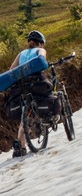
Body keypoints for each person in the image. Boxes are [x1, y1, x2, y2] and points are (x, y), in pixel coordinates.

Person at [10, 30, 51, 158]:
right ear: (41, 43)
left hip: (23, 87)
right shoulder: (40, 50)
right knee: (48, 92)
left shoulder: (21, 54)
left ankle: (20, 147)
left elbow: (11, 69)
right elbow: (43, 62)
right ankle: (48, 119)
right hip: (37, 85)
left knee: (24, 116)